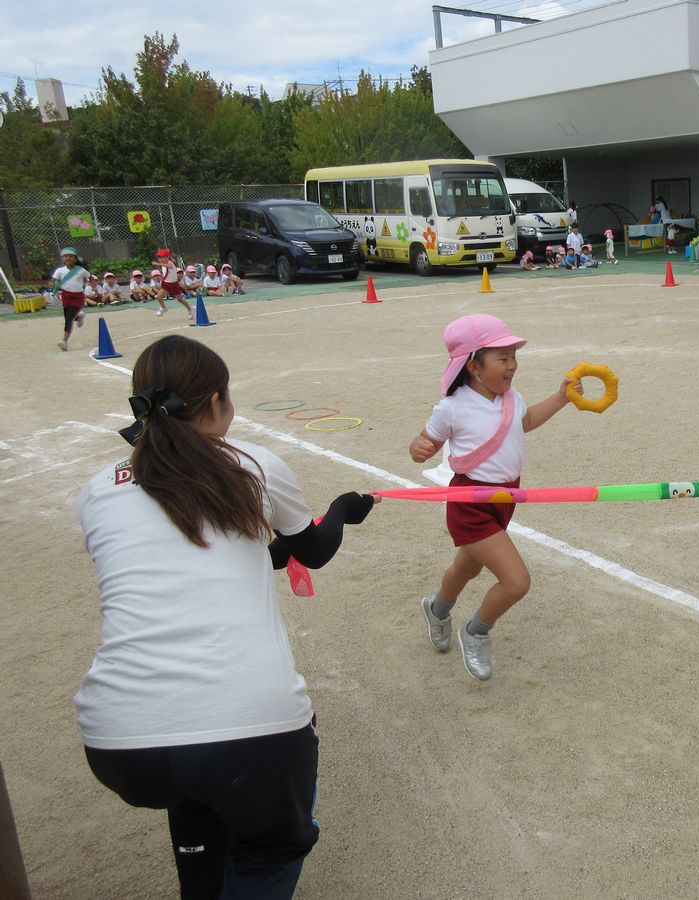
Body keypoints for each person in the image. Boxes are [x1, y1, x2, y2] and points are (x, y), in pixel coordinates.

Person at [74, 335, 379, 899]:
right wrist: (342, 509)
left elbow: (173, 570)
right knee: (272, 848)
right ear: (217, 401)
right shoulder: (253, 464)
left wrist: (263, 558)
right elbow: (312, 550)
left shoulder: (97, 490)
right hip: (251, 731)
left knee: (195, 792)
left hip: (119, 739)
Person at [408, 314, 581, 680]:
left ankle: (437, 609)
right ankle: (476, 630)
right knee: (517, 581)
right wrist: (419, 448)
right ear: (473, 365)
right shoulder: (452, 407)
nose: (513, 365)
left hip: (505, 500)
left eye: (513, 357)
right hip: (470, 503)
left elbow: (527, 421)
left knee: (467, 567)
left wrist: (562, 398)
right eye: (503, 358)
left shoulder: (510, 398)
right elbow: (425, 441)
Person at [50, 246, 90, 352]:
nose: (68, 258)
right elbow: (52, 282)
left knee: (69, 319)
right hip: (66, 296)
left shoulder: (81, 270)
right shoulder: (59, 271)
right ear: (63, 259)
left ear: (75, 259)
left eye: (71, 256)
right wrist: (53, 291)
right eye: (66, 256)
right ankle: (79, 315)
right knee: (68, 317)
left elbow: (89, 278)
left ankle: (64, 341)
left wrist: (87, 286)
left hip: (78, 297)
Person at [152, 249, 194, 320]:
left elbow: (169, 266)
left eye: (163, 257)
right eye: (159, 258)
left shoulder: (170, 263)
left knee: (180, 300)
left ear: (167, 257)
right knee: (159, 296)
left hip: (174, 284)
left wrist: (158, 264)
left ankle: (190, 309)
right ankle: (164, 308)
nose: (161, 259)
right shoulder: (164, 264)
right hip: (166, 284)